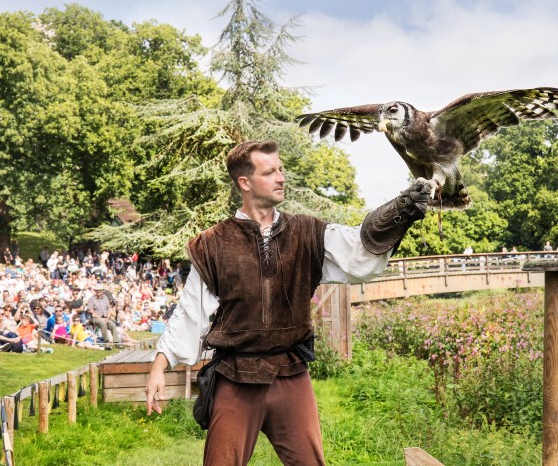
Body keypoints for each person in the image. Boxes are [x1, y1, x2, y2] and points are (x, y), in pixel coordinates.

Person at [145, 139, 431, 465]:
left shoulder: (307, 232)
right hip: (237, 376)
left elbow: (358, 253)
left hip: (291, 374)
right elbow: (190, 312)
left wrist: (400, 212)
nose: (281, 177)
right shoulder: (214, 244)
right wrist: (159, 366)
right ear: (245, 183)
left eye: (280, 169)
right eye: (270, 172)